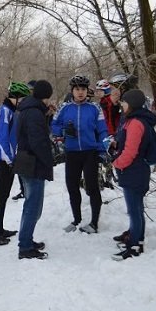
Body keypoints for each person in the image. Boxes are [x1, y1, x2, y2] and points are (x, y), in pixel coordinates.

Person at [51, 75, 109, 234]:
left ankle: (94, 223)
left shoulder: (95, 108)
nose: (80, 92)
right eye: (77, 89)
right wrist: (63, 132)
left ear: (87, 90)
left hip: (90, 153)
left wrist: (102, 150)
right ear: (72, 91)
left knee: (92, 187)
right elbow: (54, 125)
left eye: (83, 89)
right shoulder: (64, 108)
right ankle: (76, 219)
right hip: (72, 153)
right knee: (72, 186)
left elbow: (103, 130)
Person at [111, 89, 155, 260]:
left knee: (134, 210)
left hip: (134, 172)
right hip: (135, 171)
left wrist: (116, 162)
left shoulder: (136, 123)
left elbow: (130, 152)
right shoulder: (132, 120)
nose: (122, 104)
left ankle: (134, 246)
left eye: (124, 102)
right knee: (137, 209)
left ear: (132, 104)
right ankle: (137, 240)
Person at [16, 80, 54, 260]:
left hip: (26, 162)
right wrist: (49, 161)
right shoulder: (34, 113)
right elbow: (37, 141)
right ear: (46, 96)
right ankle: (25, 247)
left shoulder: (29, 109)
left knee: (31, 205)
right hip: (33, 164)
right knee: (33, 207)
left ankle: (27, 240)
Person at [0, 81, 31, 246]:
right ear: (15, 97)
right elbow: (2, 138)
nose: (23, 102)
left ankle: (0, 229)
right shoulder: (4, 111)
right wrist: (9, 160)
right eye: (22, 99)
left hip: (9, 159)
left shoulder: (11, 111)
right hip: (3, 160)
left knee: (4, 195)